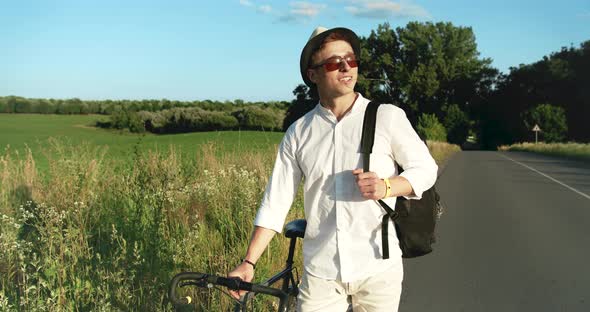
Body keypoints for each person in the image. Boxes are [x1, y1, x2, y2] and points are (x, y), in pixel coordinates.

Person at [228, 26, 438, 312]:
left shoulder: (386, 117)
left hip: (378, 266)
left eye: (350, 60)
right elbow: (276, 201)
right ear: (313, 75)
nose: (345, 67)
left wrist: (387, 186)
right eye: (333, 63)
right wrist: (249, 262)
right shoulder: (299, 132)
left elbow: (425, 169)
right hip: (322, 272)